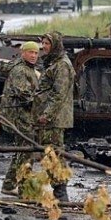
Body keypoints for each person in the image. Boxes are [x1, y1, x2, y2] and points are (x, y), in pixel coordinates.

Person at [34, 32, 75, 202]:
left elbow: (59, 94)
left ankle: (60, 192)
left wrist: (47, 114)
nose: (43, 46)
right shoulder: (54, 62)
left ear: (56, 45)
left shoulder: (62, 66)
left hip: (54, 118)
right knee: (50, 152)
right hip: (50, 117)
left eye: (47, 43)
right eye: (42, 43)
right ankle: (58, 190)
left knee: (54, 154)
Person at [0, 41, 40, 196]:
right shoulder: (20, 70)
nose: (34, 56)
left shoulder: (29, 69)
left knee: (21, 150)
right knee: (27, 150)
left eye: (36, 53)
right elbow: (23, 93)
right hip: (19, 115)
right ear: (23, 53)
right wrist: (40, 104)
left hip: (23, 115)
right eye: (31, 52)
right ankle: (25, 188)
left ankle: (9, 185)